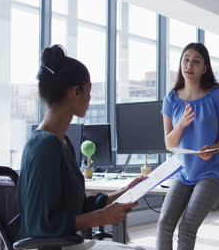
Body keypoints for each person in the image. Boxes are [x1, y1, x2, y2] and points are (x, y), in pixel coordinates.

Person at [16, 45, 147, 250]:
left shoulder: (63, 143)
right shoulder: (45, 145)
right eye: (89, 91)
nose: (89, 98)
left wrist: (123, 192)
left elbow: (76, 207)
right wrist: (101, 217)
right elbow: (39, 224)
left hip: (66, 243)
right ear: (75, 91)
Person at [156, 43, 219, 250]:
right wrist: (180, 125)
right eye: (186, 59)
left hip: (212, 172)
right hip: (184, 172)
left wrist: (213, 148)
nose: (190, 65)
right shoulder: (171, 99)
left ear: (204, 68)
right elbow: (169, 143)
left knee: (187, 227)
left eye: (196, 61)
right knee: (164, 224)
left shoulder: (216, 94)